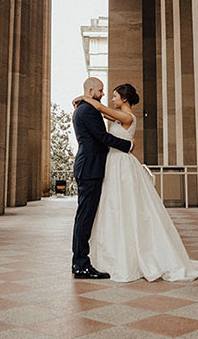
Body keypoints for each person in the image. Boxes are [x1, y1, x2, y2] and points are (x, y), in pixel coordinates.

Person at [73, 83, 198, 282]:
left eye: (114, 96)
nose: (109, 98)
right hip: (112, 164)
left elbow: (102, 111)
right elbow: (104, 116)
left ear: (124, 99)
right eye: (105, 93)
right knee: (114, 207)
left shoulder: (128, 117)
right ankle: (99, 257)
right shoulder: (116, 115)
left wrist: (85, 98)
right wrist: (84, 98)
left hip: (121, 164)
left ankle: (125, 255)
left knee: (126, 207)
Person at [71, 77, 134, 279]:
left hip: (90, 167)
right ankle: (80, 264)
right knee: (85, 217)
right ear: (90, 90)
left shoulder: (86, 107)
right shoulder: (88, 109)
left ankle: (80, 262)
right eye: (100, 90)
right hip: (90, 168)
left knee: (85, 216)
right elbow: (102, 137)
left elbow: (102, 117)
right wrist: (128, 146)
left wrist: (83, 98)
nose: (103, 94)